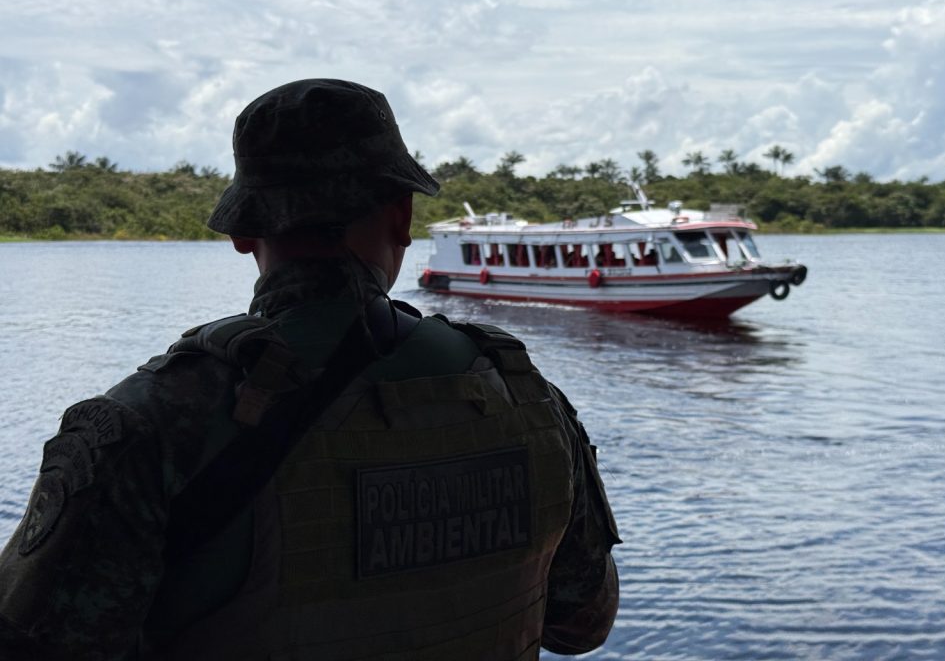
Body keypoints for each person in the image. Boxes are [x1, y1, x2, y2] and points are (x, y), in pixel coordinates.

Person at [0, 78, 620, 660]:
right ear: (402, 216)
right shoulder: (525, 393)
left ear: (243, 231)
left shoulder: (150, 424)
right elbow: (581, 623)